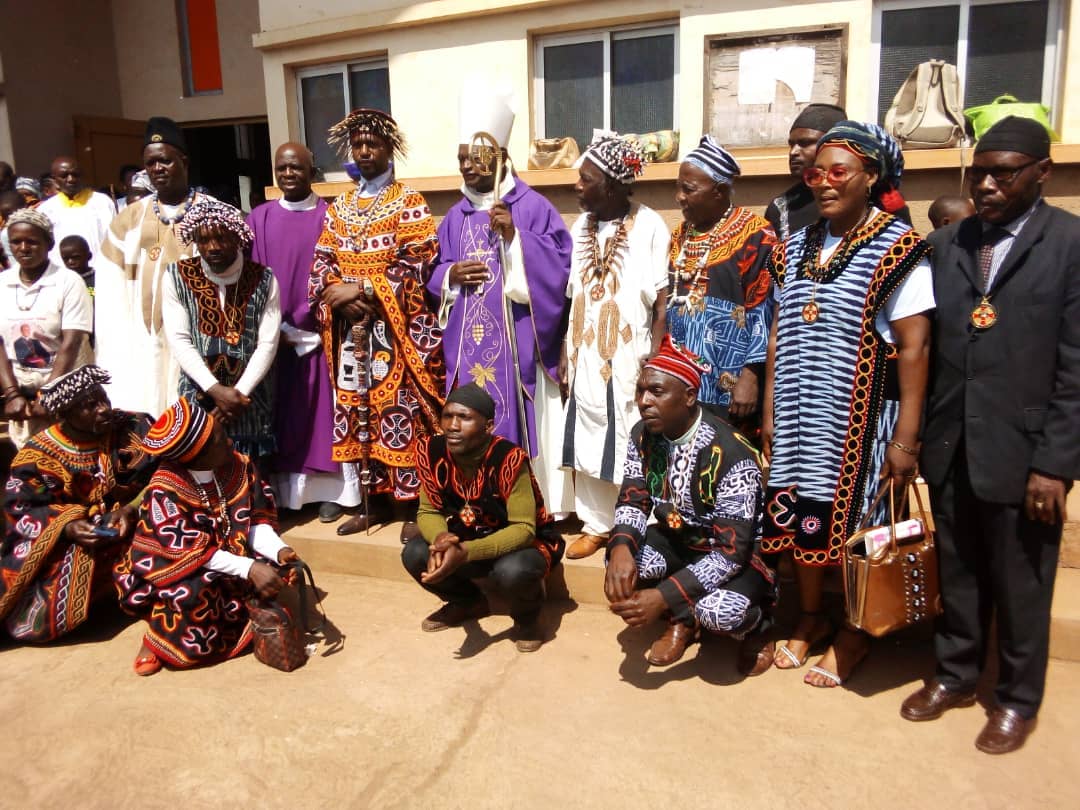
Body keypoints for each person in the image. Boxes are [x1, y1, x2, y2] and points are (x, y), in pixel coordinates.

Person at [900, 116, 1080, 754]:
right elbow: (926, 343)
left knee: (1023, 582)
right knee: (961, 571)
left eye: (1003, 172)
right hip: (953, 444)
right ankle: (955, 674)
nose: (987, 184)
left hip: (1026, 451)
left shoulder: (1069, 244)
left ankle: (1016, 700)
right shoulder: (948, 245)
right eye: (979, 171)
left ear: (1041, 174)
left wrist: (1056, 464)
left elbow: (1075, 363)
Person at [762, 121, 934, 688]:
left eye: (839, 172)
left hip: (858, 424)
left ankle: (856, 634)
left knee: (860, 529)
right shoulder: (796, 245)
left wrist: (906, 439)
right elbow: (778, 332)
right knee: (801, 521)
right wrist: (768, 411)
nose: (824, 183)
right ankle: (811, 617)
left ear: (871, 176)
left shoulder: (899, 249)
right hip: (795, 416)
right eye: (817, 173)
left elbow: (914, 348)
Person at [430, 84, 573, 515]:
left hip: (518, 346)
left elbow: (561, 267)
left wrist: (515, 239)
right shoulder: (454, 215)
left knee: (519, 416)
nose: (468, 167)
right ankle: (477, 501)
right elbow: (435, 271)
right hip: (468, 342)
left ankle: (531, 505)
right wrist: (450, 275)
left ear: (499, 157)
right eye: (461, 159)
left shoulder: (532, 206)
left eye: (476, 157)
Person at [605, 337, 776, 670]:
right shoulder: (643, 434)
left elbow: (731, 553)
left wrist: (662, 595)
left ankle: (760, 626)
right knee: (621, 564)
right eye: (641, 391)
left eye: (657, 392)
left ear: (689, 397)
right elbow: (633, 497)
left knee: (719, 612)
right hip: (681, 539)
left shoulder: (731, 453)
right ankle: (683, 619)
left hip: (737, 557)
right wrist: (621, 549)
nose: (644, 402)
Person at [311, 108, 443, 536]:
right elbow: (322, 261)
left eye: (373, 144)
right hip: (350, 332)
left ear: (390, 149)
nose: (365, 151)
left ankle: (412, 509)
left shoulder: (408, 201)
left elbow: (419, 259)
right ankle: (374, 502)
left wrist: (363, 289)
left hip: (394, 328)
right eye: (358, 145)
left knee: (399, 412)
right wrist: (338, 295)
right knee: (356, 411)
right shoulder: (341, 206)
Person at [115, 398, 300, 675]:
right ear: (195, 454)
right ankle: (158, 639)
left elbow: (253, 521)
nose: (228, 440)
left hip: (229, 555)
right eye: (218, 439)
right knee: (194, 594)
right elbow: (191, 552)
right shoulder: (165, 490)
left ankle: (246, 627)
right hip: (176, 565)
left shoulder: (240, 465)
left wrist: (279, 550)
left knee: (281, 571)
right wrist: (249, 568)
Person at [561, 134, 670, 560]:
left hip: (629, 352)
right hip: (584, 349)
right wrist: (561, 350)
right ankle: (596, 524)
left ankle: (637, 525)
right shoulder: (579, 226)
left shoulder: (650, 225)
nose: (577, 186)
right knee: (586, 432)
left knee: (630, 435)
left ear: (610, 184)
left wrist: (657, 357)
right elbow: (572, 294)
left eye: (585, 179)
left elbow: (663, 300)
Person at [401, 383, 564, 652]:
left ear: (488, 426)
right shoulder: (432, 452)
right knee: (415, 553)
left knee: (514, 571)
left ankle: (528, 619)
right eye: (447, 416)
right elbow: (428, 510)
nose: (452, 425)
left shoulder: (509, 459)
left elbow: (523, 529)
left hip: (520, 546)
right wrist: (442, 538)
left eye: (464, 418)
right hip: (464, 538)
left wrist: (466, 552)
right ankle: (468, 602)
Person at [0, 366, 156, 642]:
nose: (103, 409)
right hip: (79, 537)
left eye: (103, 399)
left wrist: (132, 506)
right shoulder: (35, 457)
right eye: (89, 407)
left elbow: (167, 472)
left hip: (136, 521)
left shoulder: (134, 428)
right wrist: (68, 526)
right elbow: (21, 509)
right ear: (65, 415)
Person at [249, 142, 360, 518]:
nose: (288, 174)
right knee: (282, 416)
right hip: (274, 336)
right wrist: (273, 326)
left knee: (322, 416)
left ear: (312, 171)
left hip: (323, 334)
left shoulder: (332, 216)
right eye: (281, 168)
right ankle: (286, 497)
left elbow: (345, 269)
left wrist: (314, 322)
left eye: (296, 167)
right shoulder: (259, 219)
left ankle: (333, 493)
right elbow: (250, 278)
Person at [96, 116, 211, 416]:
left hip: (197, 339)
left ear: (183, 161)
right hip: (142, 341)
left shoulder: (212, 214)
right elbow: (111, 296)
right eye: (150, 163)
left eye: (165, 161)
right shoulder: (127, 221)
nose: (157, 169)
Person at [666, 134, 776, 427]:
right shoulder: (680, 235)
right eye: (678, 187)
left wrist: (750, 377)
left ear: (719, 191)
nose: (679, 197)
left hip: (729, 384)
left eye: (688, 189)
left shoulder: (756, 236)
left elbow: (763, 312)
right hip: (681, 379)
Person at [164, 198, 280, 462]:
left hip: (250, 401)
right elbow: (179, 339)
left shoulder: (264, 278)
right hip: (198, 394)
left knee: (253, 481)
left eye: (221, 239)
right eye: (203, 240)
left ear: (238, 238)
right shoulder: (176, 275)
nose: (213, 247)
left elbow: (268, 343)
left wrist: (238, 395)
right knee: (201, 470)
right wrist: (216, 391)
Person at [0, 209, 93, 446]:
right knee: (29, 471)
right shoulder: (3, 283)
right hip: (23, 395)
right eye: (16, 242)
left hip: (67, 393)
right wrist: (12, 394)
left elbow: (71, 343)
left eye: (31, 241)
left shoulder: (68, 282)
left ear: (49, 244)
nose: (23, 248)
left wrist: (49, 394)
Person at [764, 103, 847, 241]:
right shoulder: (781, 207)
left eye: (805, 143)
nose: (794, 152)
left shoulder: (861, 201)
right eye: (791, 145)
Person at [36, 156, 116, 264]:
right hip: (62, 274)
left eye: (75, 174)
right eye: (64, 176)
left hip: (98, 271)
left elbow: (114, 239)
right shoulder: (45, 210)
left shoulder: (102, 202)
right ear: (55, 180)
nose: (71, 179)